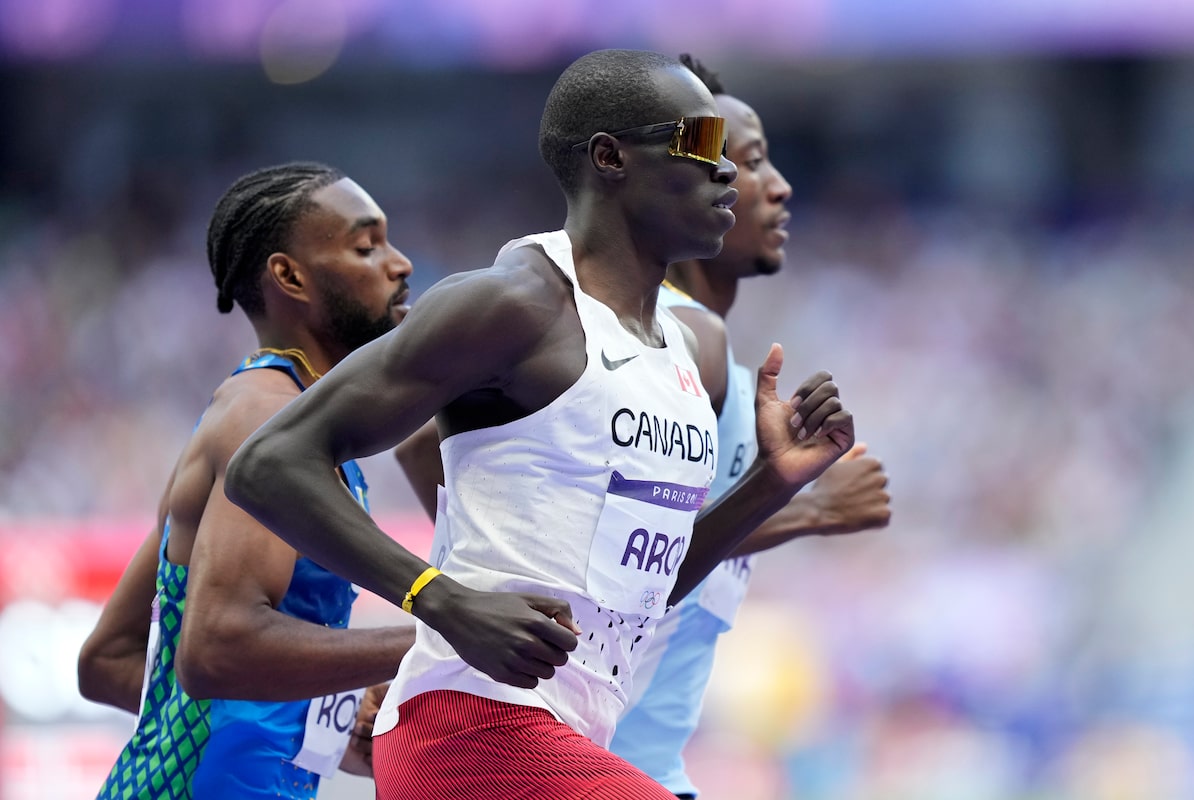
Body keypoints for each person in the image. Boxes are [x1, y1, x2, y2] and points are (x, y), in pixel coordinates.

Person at [224, 49, 856, 800]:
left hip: (569, 733)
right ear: (610, 157)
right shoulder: (517, 303)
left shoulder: (682, 349)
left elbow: (646, 586)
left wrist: (770, 483)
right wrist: (439, 598)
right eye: (702, 143)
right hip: (470, 728)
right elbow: (269, 464)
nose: (728, 172)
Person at [77, 162, 418, 799]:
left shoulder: (284, 414)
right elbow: (219, 649)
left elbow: (107, 662)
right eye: (366, 246)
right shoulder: (264, 418)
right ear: (289, 276)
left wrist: (324, 725)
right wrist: (441, 635)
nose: (399, 264)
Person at [606, 54, 892, 799]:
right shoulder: (656, 341)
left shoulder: (715, 363)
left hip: (645, 769)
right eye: (754, 162)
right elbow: (621, 572)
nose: (781, 186)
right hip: (579, 770)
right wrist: (811, 509)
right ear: (689, 188)